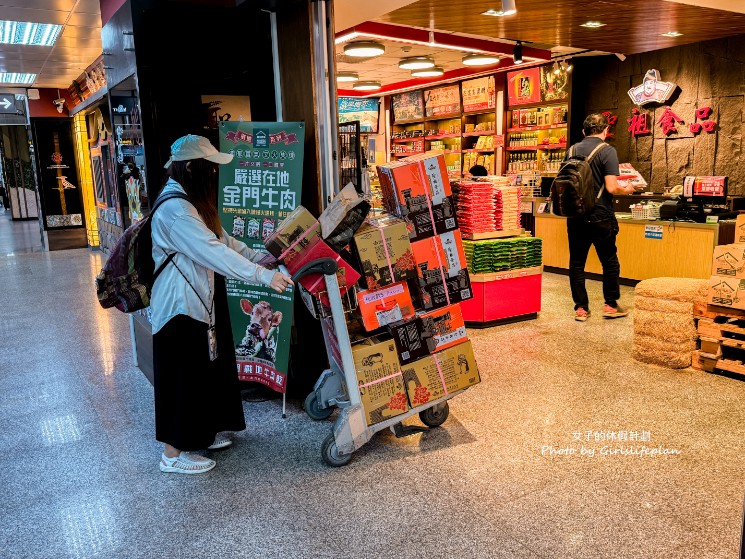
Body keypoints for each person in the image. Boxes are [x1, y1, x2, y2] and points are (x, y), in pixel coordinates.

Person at [150, 134, 293, 474]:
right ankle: (172, 454)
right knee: (183, 379)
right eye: (209, 168)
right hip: (178, 309)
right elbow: (212, 252)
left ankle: (199, 434)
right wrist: (261, 275)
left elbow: (223, 241)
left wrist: (260, 257)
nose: (214, 174)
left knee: (201, 375)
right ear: (189, 168)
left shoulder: (190, 202)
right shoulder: (175, 210)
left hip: (198, 304)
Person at [565, 113, 636, 322]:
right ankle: (610, 305)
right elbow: (612, 187)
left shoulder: (571, 150)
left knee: (577, 262)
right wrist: (628, 189)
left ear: (583, 131)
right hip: (600, 214)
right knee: (609, 260)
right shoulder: (607, 151)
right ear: (605, 131)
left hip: (575, 214)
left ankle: (581, 309)